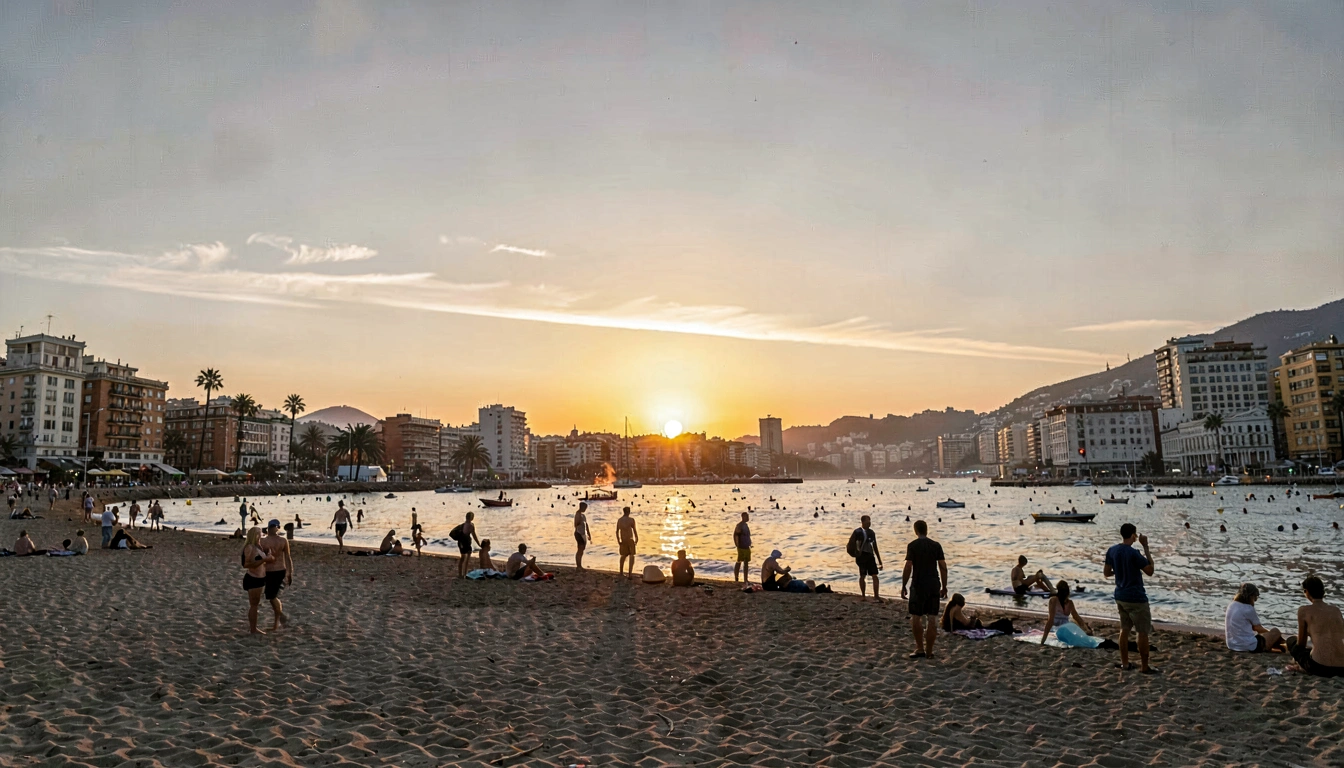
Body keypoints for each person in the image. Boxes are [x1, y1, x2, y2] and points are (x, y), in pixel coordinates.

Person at [1104, 523, 1156, 673]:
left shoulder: (1112, 550)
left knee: (1124, 629)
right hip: (1136, 597)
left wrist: (1119, 572)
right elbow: (1150, 571)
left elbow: (1107, 573)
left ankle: (1125, 663)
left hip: (1120, 595)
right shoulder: (1134, 553)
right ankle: (1144, 667)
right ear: (1133, 535)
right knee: (1142, 631)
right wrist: (1146, 547)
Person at [901, 519, 947, 660]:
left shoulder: (913, 546)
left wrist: (903, 584)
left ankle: (920, 648)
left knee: (916, 617)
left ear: (916, 531)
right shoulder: (936, 545)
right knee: (932, 618)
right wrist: (944, 586)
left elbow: (909, 566)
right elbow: (943, 566)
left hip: (918, 584)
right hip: (933, 583)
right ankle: (929, 651)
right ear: (926, 530)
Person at [1286, 575, 1344, 677]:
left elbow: (1301, 644)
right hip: (1342, 669)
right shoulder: (1336, 610)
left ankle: (1300, 666)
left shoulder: (1303, 611)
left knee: (1292, 641)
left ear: (1307, 591)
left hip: (1319, 667)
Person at [1226, 583, 1284, 653]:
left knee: (1264, 637)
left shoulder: (1231, 605)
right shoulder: (1248, 608)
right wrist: (1272, 635)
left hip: (1231, 644)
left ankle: (1277, 646)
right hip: (1247, 646)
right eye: (1255, 597)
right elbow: (1258, 628)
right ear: (1251, 596)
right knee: (1275, 631)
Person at [259, 520, 293, 631]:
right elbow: (259, 556)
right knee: (271, 596)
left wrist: (290, 572)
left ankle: (280, 620)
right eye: (273, 527)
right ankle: (279, 621)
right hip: (271, 571)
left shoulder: (281, 540)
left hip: (277, 570)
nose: (273, 529)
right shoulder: (264, 541)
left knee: (272, 596)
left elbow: (288, 557)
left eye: (274, 527)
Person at [240, 527, 273, 635]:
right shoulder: (249, 547)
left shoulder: (258, 546)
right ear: (255, 535)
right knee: (254, 605)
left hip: (260, 578)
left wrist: (268, 557)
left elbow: (260, 560)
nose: (262, 535)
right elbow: (246, 564)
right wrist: (263, 560)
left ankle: (253, 628)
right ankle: (253, 629)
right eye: (259, 534)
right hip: (253, 578)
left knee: (255, 604)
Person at [850, 514, 883, 601]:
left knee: (875, 575)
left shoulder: (871, 533)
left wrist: (880, 560)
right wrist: (856, 554)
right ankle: (863, 595)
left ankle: (876, 595)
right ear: (863, 522)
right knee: (862, 575)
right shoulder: (857, 532)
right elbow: (854, 544)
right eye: (867, 521)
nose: (869, 523)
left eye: (870, 521)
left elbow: (875, 547)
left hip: (870, 555)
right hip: (862, 556)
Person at [456, 512, 480, 578]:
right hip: (466, 542)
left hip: (460, 542)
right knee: (467, 558)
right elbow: (474, 536)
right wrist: (479, 544)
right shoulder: (471, 525)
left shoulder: (463, 525)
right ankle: (465, 574)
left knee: (462, 558)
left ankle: (460, 574)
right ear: (471, 518)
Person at [616, 506, 638, 577]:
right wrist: (636, 538)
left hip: (623, 539)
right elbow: (634, 530)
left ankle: (621, 572)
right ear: (629, 512)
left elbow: (617, 531)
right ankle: (630, 574)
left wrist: (618, 540)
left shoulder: (620, 520)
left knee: (623, 556)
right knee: (632, 556)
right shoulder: (631, 520)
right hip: (629, 539)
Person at [733, 511, 752, 582]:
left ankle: (745, 579)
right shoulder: (740, 526)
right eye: (746, 516)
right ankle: (737, 577)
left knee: (746, 563)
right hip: (741, 546)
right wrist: (737, 545)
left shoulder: (745, 525)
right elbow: (735, 535)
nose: (748, 518)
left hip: (746, 546)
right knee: (739, 562)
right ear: (743, 517)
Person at [574, 502, 592, 570]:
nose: (585, 509)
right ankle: (578, 566)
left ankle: (580, 565)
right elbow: (576, 524)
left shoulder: (583, 515)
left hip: (583, 533)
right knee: (580, 549)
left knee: (582, 549)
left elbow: (586, 525)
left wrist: (589, 534)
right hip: (578, 533)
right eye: (584, 508)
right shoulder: (577, 514)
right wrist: (579, 521)